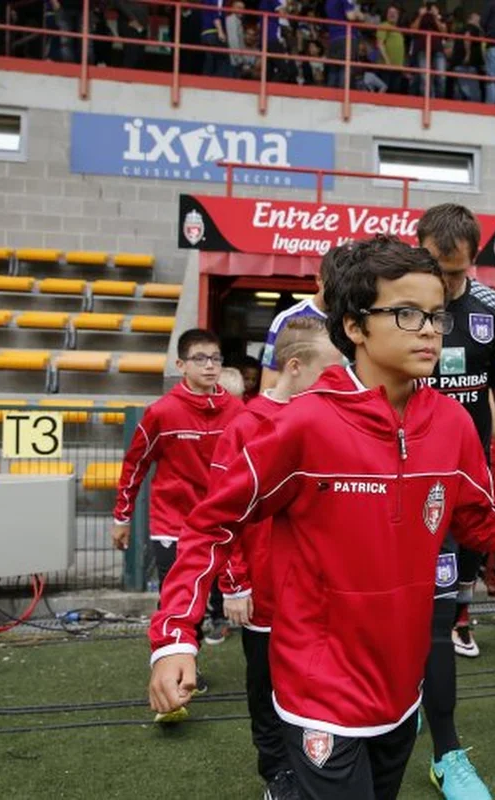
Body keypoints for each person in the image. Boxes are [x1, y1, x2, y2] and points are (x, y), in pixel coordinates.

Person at [147, 236, 495, 800]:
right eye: (407, 313)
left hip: (400, 690)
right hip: (319, 690)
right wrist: (176, 637)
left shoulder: (451, 424)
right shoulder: (303, 426)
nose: (429, 330)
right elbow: (211, 523)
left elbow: (481, 524)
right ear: (354, 326)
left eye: (436, 316)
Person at [415, 204, 495, 799]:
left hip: (456, 492)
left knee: (441, 619)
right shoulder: (392, 303)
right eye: (440, 270)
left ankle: (446, 753)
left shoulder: (494, 311)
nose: (448, 285)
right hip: (384, 488)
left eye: (459, 273)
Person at [215, 317, 343, 800]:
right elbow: (220, 515)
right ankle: (277, 775)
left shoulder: (327, 419)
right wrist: (234, 583)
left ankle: (312, 766)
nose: (337, 378)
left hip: (316, 593)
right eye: (329, 369)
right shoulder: (245, 426)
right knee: (265, 693)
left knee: (313, 689)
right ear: (295, 366)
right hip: (266, 593)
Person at [112, 329, 243, 681]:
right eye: (200, 358)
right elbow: (135, 465)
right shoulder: (162, 412)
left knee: (216, 595)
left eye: (216, 358)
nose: (210, 366)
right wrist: (122, 517)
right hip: (174, 525)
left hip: (222, 524)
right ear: (181, 365)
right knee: (178, 601)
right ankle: (180, 668)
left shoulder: (237, 410)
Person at [258, 249, 337, 391]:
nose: (340, 293)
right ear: (319, 280)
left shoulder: (357, 317)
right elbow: (269, 384)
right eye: (334, 286)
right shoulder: (287, 319)